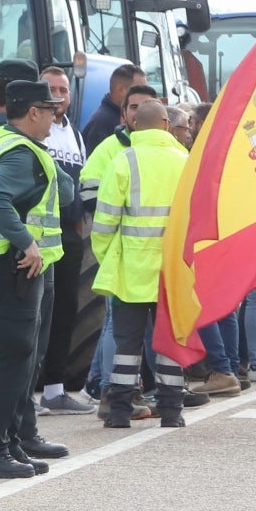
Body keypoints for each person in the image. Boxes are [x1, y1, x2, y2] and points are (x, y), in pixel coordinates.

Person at [0, 76, 75, 476]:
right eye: (50, 110)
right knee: (11, 362)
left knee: (14, 360)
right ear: (33, 112)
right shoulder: (19, 152)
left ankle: (9, 444)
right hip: (14, 263)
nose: (54, 116)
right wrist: (27, 241)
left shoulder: (4, 143)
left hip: (3, 262)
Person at [90, 100, 189, 427]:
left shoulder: (123, 162)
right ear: (165, 123)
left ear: (135, 125)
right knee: (169, 343)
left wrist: (111, 261)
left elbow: (103, 225)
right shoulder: (185, 161)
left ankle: (119, 412)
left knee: (126, 346)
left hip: (131, 271)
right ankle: (172, 412)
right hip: (172, 274)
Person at [34, 63, 94, 416]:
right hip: (39, 235)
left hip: (69, 237)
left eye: (63, 90)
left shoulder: (73, 132)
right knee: (36, 314)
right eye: (51, 89)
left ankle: (54, 390)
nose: (58, 95)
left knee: (64, 312)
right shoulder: (35, 131)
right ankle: (27, 389)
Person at [82, 63, 145, 146]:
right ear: (121, 89)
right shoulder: (101, 124)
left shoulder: (124, 116)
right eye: (139, 90)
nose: (144, 94)